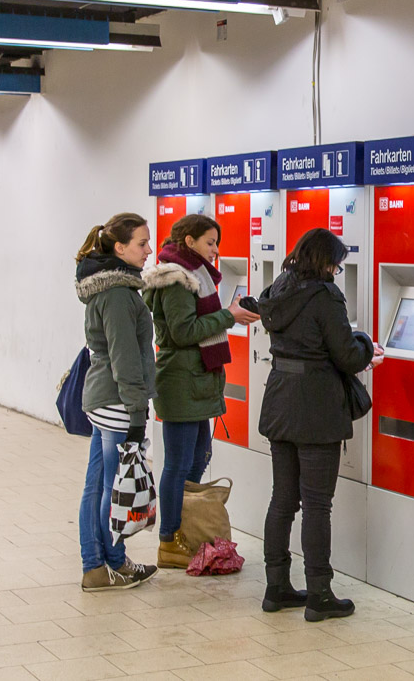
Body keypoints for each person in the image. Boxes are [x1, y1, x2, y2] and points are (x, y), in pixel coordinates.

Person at [257, 228, 384, 621]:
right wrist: (367, 346)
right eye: (336, 264)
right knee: (316, 504)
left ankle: (276, 587)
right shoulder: (325, 295)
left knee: (282, 499)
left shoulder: (279, 288)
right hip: (316, 407)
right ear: (325, 261)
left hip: (280, 400)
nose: (336, 271)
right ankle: (319, 594)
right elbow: (347, 356)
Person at [142, 214, 260, 568]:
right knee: (178, 465)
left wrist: (229, 315)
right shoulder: (177, 279)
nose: (215, 250)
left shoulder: (197, 275)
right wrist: (229, 316)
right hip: (181, 381)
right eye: (210, 242)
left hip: (196, 380)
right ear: (189, 241)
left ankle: (185, 528)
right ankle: (169, 539)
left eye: (216, 243)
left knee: (198, 457)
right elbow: (183, 331)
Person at [75, 212, 159, 591]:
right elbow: (126, 359)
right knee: (113, 488)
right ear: (120, 248)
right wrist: (137, 411)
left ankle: (101, 565)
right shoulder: (118, 295)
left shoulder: (112, 289)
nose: (149, 250)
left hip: (105, 398)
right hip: (117, 401)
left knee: (98, 485)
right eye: (142, 243)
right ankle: (106, 563)